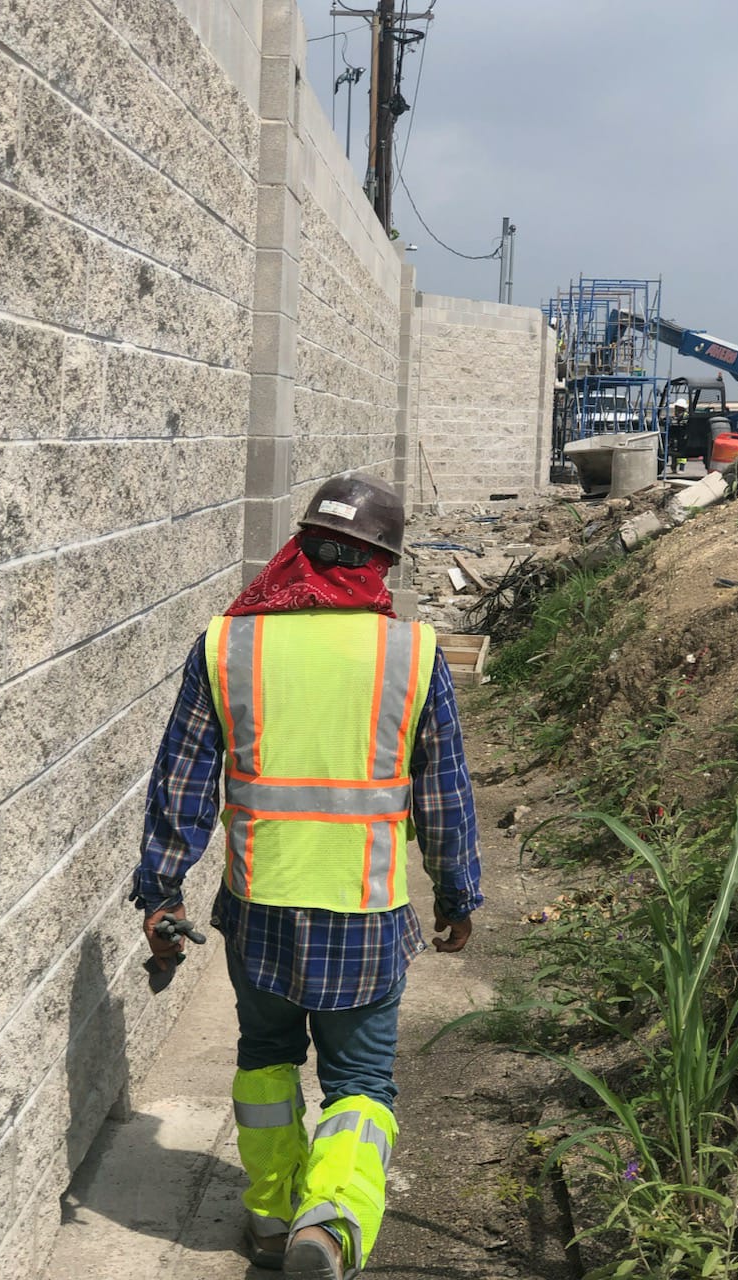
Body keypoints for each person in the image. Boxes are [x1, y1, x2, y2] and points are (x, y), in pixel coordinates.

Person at [132, 473, 483, 1280]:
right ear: (381, 566)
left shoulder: (230, 642)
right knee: (359, 1080)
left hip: (259, 907)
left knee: (265, 1054)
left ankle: (268, 1215)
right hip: (365, 909)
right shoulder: (412, 651)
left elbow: (180, 782)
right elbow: (445, 794)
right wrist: (458, 894)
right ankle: (329, 1222)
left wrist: (159, 891)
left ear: (302, 545)